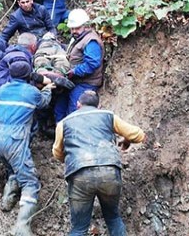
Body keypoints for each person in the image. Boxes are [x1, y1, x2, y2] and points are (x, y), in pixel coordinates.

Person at [52, 90, 147, 236]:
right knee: (113, 218)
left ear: (78, 105)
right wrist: (126, 141)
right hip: (109, 172)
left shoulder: (63, 123)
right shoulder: (108, 116)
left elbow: (57, 153)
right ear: (99, 106)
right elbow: (138, 135)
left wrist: (73, 160)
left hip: (79, 174)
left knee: (79, 228)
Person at [0, 61, 55, 236]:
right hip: (15, 140)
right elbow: (43, 103)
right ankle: (22, 227)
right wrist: (48, 87)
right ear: (29, 76)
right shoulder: (31, 92)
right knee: (30, 182)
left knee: (13, 169)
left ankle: (8, 199)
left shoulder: (3, 89)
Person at [53, 9, 104, 122]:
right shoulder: (78, 38)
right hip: (75, 81)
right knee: (59, 107)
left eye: (77, 28)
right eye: (72, 28)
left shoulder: (91, 41)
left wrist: (74, 71)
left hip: (86, 83)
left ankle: (72, 136)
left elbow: (92, 64)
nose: (74, 31)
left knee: (74, 112)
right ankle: (59, 133)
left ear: (85, 26)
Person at [0, 33, 38, 108]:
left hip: (2, 96)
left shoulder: (14, 54)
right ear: (33, 46)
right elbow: (20, 80)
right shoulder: (20, 58)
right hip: (10, 98)